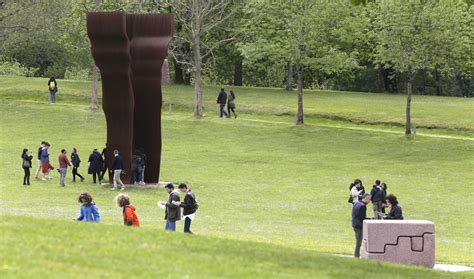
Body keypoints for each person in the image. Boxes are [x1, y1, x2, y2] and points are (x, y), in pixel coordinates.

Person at [352, 193, 371, 258]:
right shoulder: (363, 206)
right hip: (359, 226)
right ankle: (356, 256)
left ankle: (356, 255)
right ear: (366, 198)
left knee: (358, 241)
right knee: (358, 243)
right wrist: (369, 219)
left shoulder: (356, 203)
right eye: (369, 199)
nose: (370, 201)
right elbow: (362, 218)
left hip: (354, 225)